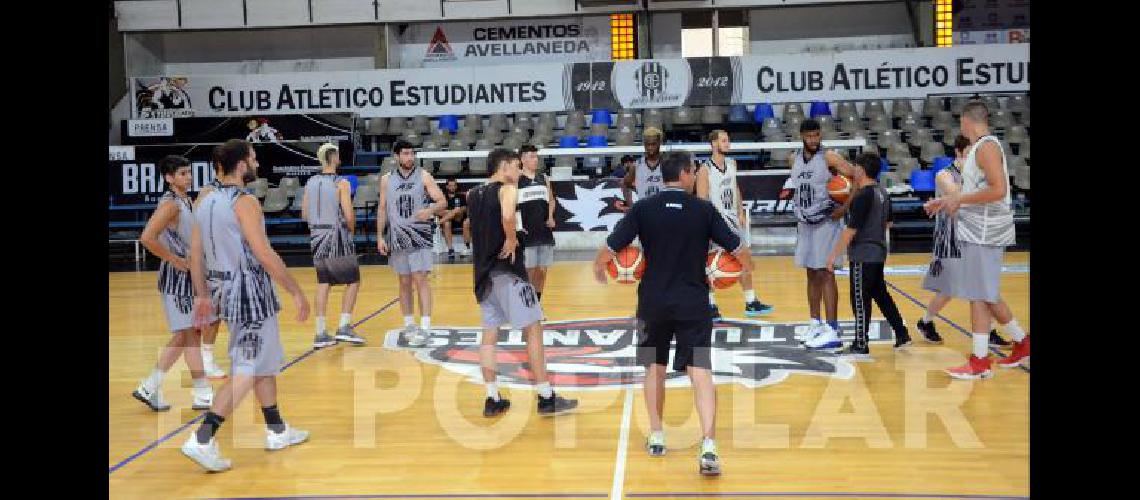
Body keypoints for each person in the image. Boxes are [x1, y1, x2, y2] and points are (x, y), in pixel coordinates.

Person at [594, 150, 752, 476]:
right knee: (700, 371)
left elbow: (611, 248)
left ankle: (656, 434)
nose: (694, 175)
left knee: (654, 368)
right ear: (682, 174)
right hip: (693, 301)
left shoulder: (643, 208)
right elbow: (736, 249)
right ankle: (708, 444)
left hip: (652, 302)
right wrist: (746, 268)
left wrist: (600, 267)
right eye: (692, 171)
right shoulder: (703, 209)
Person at [182, 139, 311, 472]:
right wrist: (295, 291)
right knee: (247, 368)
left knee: (262, 362)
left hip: (222, 288)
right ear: (241, 165)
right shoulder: (245, 201)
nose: (256, 163)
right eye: (253, 158)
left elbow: (195, 254)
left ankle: (277, 429)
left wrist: (202, 295)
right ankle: (202, 438)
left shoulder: (204, 199)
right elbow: (265, 254)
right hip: (248, 291)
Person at [467, 148, 579, 417]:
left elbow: (470, 226)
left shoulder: (473, 194)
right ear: (504, 166)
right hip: (507, 273)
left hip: (483, 275)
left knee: (489, 336)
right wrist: (511, 239)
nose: (518, 172)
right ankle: (545, 396)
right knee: (534, 329)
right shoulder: (506, 189)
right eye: (516, 166)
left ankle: (492, 398)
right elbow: (507, 216)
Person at [925, 102, 1029, 379]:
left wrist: (958, 199)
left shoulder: (986, 148)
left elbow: (998, 190)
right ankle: (986, 357)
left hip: (986, 232)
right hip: (975, 230)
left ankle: (1008, 348)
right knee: (980, 295)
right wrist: (945, 200)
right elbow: (971, 193)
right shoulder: (980, 149)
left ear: (966, 121)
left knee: (984, 294)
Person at [131, 155, 214, 412]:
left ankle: (149, 386)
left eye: (189, 172)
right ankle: (202, 392)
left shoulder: (184, 200)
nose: (188, 177)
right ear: (169, 178)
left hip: (189, 278)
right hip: (177, 280)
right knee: (189, 334)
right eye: (182, 173)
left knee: (187, 334)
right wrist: (175, 260)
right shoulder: (170, 205)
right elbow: (146, 237)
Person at [916, 135, 1010, 347]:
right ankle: (926, 322)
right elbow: (958, 195)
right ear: (958, 153)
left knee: (977, 285)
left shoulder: (977, 176)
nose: (974, 158)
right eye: (969, 153)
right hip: (949, 236)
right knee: (950, 288)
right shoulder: (944, 174)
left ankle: (988, 330)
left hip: (974, 234)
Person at [825, 152, 912, 357]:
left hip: (863, 254)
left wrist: (833, 256)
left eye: (855, 167)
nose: (852, 170)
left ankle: (861, 343)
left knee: (860, 299)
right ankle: (901, 333)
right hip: (878, 251)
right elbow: (888, 223)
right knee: (881, 295)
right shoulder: (882, 191)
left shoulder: (863, 195)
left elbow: (850, 230)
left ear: (861, 170)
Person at [788, 119, 857, 352]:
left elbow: (857, 176)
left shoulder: (830, 157)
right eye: (809, 136)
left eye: (817, 135)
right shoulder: (793, 158)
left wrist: (844, 208)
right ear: (801, 136)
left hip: (827, 222)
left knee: (826, 272)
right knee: (811, 272)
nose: (814, 140)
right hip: (805, 222)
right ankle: (815, 322)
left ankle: (833, 328)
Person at [696, 130, 774, 318]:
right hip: (714, 224)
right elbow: (701, 200)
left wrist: (740, 211)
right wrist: (709, 226)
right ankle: (710, 305)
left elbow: (735, 187)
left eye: (728, 140)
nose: (727, 143)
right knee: (708, 265)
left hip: (732, 220)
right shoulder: (705, 169)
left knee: (744, 258)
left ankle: (751, 302)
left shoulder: (732, 164)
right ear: (713, 144)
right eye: (723, 140)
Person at [377, 140, 447, 346]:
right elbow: (382, 208)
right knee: (404, 282)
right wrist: (380, 236)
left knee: (421, 280)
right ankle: (409, 324)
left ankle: (425, 326)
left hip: (419, 235)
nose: (409, 157)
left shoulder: (424, 176)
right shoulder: (386, 180)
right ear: (396, 156)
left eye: (412, 154)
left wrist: (431, 210)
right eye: (405, 154)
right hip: (397, 236)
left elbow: (442, 201)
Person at [301, 143, 365, 349]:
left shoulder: (311, 182)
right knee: (353, 281)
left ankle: (320, 332)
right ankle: (344, 326)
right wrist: (350, 232)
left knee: (323, 283)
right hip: (336, 234)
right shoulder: (341, 183)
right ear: (333, 157)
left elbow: (304, 214)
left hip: (317, 235)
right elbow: (348, 214)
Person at [193, 145, 228, 379]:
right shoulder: (209, 191)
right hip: (211, 259)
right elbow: (196, 223)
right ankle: (205, 359)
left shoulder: (236, 190)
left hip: (228, 257)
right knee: (212, 313)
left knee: (225, 313)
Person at [516, 144, 557, 302]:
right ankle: (526, 304)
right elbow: (511, 206)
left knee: (542, 270)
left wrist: (550, 216)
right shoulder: (517, 180)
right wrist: (518, 227)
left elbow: (551, 200)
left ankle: (537, 304)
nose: (536, 159)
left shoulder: (543, 178)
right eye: (532, 157)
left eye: (536, 156)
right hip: (527, 232)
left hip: (544, 231)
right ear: (523, 159)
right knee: (529, 271)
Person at [617, 127, 666, 212]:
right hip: (644, 211)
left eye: (653, 144)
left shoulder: (667, 163)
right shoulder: (637, 165)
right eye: (648, 144)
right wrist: (630, 205)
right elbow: (624, 184)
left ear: (659, 143)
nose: (650, 147)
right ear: (644, 144)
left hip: (663, 210)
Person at [439, 178, 472, 260]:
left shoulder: (461, 196)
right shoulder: (443, 198)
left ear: (456, 186)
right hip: (450, 221)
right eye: (450, 186)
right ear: (447, 187)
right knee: (447, 223)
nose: (452, 187)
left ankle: (467, 248)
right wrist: (452, 212)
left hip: (460, 218)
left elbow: (464, 208)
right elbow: (438, 211)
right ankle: (450, 249)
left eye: (454, 185)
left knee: (466, 221)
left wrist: (454, 212)